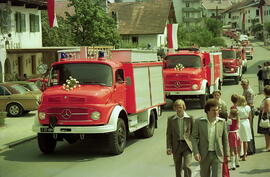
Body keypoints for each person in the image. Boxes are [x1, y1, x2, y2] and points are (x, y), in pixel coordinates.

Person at [191, 99, 229, 177]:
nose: (216, 112)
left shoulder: (222, 122)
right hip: (204, 154)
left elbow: (225, 140)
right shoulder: (199, 122)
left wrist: (227, 154)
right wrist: (196, 152)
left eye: (217, 110)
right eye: (213, 110)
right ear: (207, 111)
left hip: (217, 154)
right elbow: (194, 138)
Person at [166, 99, 193, 177]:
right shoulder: (171, 119)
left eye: (180, 107)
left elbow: (194, 133)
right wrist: (169, 147)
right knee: (178, 168)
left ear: (184, 107)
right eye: (176, 107)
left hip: (187, 146)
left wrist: (195, 145)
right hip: (176, 146)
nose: (178, 109)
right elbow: (169, 134)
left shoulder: (190, 118)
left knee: (187, 166)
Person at [241, 79, 256, 155]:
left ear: (247, 84)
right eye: (242, 84)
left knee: (248, 130)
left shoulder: (249, 91)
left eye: (244, 84)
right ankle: (250, 149)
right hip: (247, 110)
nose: (242, 86)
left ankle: (250, 149)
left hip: (249, 111)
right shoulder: (245, 90)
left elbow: (249, 103)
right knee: (248, 130)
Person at [236, 95, 252, 161]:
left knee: (239, 140)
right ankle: (245, 155)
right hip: (246, 122)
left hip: (241, 122)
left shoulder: (237, 108)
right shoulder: (248, 107)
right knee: (245, 140)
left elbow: (237, 117)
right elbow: (250, 116)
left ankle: (239, 155)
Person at [257, 85, 270, 151]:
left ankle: (268, 147)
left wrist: (261, 109)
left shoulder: (267, 100)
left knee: (267, 133)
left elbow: (267, 110)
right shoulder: (267, 99)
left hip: (266, 117)